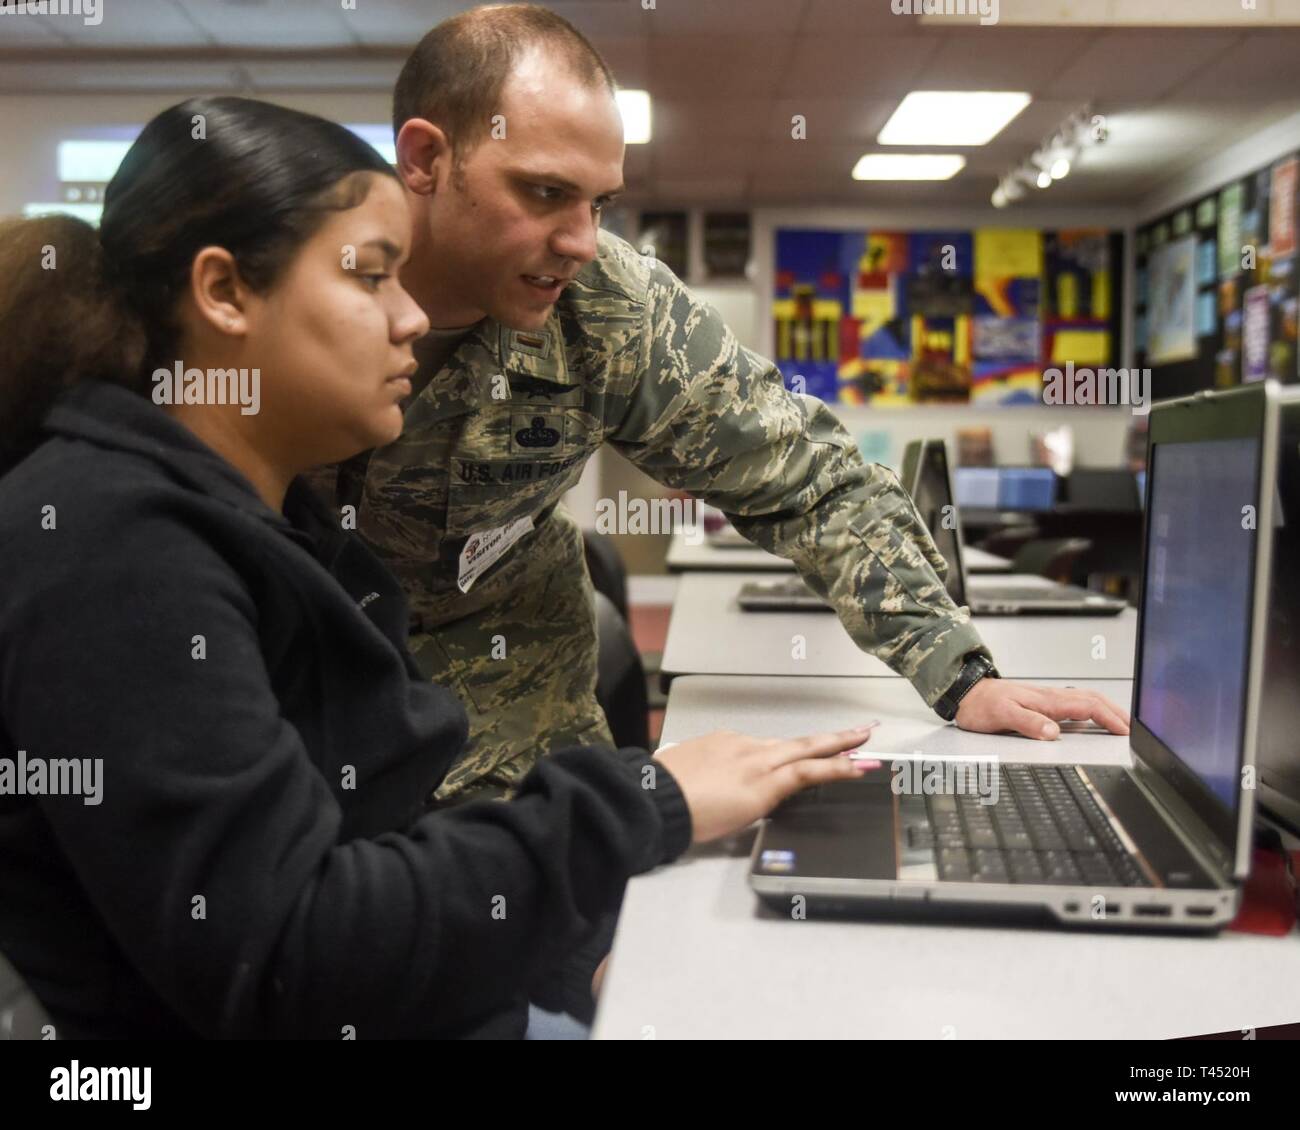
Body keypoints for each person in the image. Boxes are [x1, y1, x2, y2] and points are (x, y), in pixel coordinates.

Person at [0, 96, 875, 1040]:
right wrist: (646, 804)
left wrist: (574, 947)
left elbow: (385, 838)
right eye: (372, 276)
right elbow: (298, 954)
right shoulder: (119, 551)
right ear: (224, 294)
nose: (412, 316)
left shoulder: (269, 517)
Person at [307, 3, 1131, 809]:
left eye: (600, 203)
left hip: (508, 706)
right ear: (424, 158)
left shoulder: (609, 309)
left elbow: (811, 481)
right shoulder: (282, 290)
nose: (581, 241)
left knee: (560, 924)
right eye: (546, 192)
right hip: (293, 688)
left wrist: (958, 672)